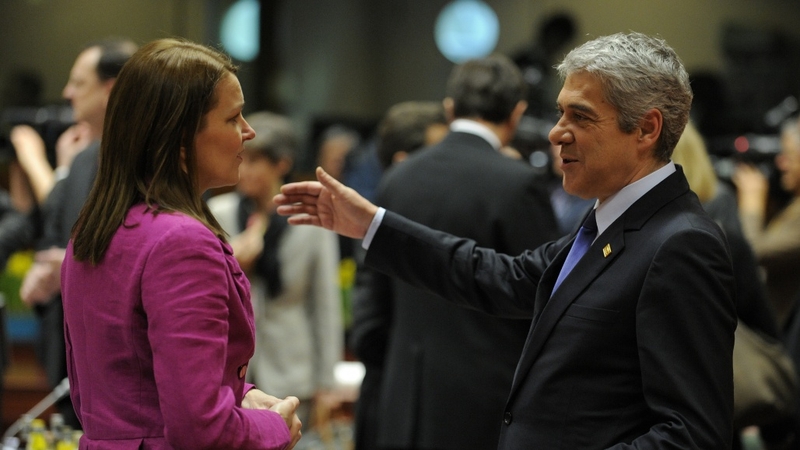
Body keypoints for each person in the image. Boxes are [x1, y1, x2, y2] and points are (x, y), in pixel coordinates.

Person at [275, 32, 738, 449]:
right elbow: (498, 274)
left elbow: (690, 434)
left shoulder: (680, 243)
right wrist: (371, 224)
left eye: (581, 116)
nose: (557, 132)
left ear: (646, 129)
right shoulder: (611, 221)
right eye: (560, 112)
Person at [61, 38, 302, 449]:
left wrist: (241, 395)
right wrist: (276, 427)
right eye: (233, 118)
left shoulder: (94, 227)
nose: (249, 131)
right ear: (180, 138)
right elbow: (200, 429)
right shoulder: (181, 242)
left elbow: (132, 379)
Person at [348, 54, 559, 450]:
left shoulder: (398, 178)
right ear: (516, 114)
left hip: (403, 400)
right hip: (486, 408)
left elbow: (373, 306)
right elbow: (543, 301)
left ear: (449, 109)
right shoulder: (519, 184)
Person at [16, 37, 137, 428]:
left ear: (111, 88)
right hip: (70, 357)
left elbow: (133, 249)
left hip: (119, 364)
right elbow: (53, 232)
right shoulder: (83, 158)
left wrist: (66, 262)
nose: (67, 93)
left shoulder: (142, 161)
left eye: (78, 83)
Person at [207, 111, 343, 429]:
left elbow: (325, 304)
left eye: (256, 161)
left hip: (292, 367)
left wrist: (327, 383)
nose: (245, 170)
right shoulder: (219, 213)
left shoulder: (311, 221)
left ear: (281, 164)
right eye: (243, 159)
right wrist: (233, 264)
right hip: (228, 369)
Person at [733, 116, 800, 328]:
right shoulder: (794, 204)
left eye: (788, 155)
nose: (780, 162)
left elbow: (755, 253)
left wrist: (752, 203)